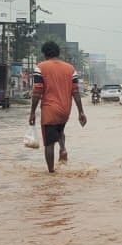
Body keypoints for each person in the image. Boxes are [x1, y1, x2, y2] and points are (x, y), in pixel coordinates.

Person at [29, 41, 87, 173]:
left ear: (45, 54)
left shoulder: (41, 67)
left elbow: (37, 91)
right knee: (59, 131)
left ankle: (51, 172)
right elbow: (76, 92)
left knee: (49, 144)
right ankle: (63, 148)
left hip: (49, 110)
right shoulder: (70, 68)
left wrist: (32, 112)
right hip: (65, 111)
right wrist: (81, 112)